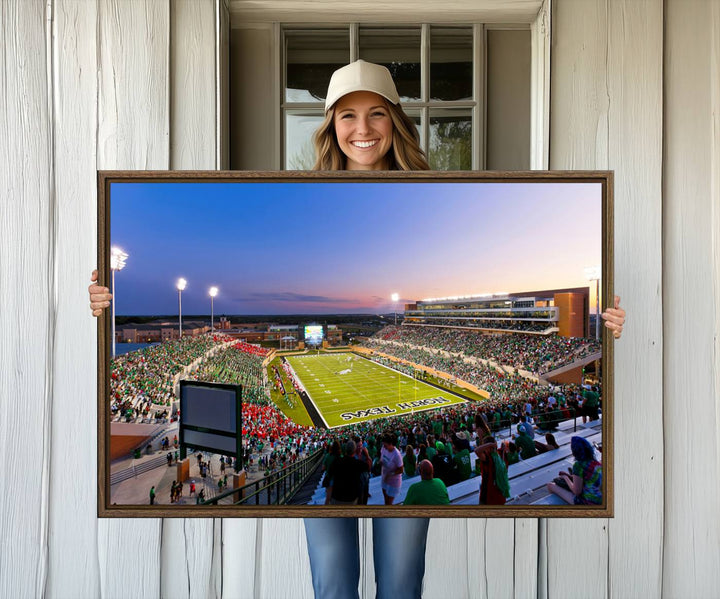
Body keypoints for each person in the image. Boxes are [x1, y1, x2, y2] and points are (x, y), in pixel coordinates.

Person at [88, 59, 626, 599]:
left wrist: (606, 324)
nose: (362, 129)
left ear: (395, 120)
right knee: (333, 578)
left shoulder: (433, 192)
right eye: (347, 116)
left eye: (375, 114)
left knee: (400, 579)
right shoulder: (309, 190)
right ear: (330, 126)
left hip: (394, 481)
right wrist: (104, 299)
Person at [546, 436, 603, 505]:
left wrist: (565, 477)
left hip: (587, 503)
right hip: (600, 500)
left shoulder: (578, 466)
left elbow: (577, 491)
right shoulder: (597, 463)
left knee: (550, 485)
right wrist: (569, 476)